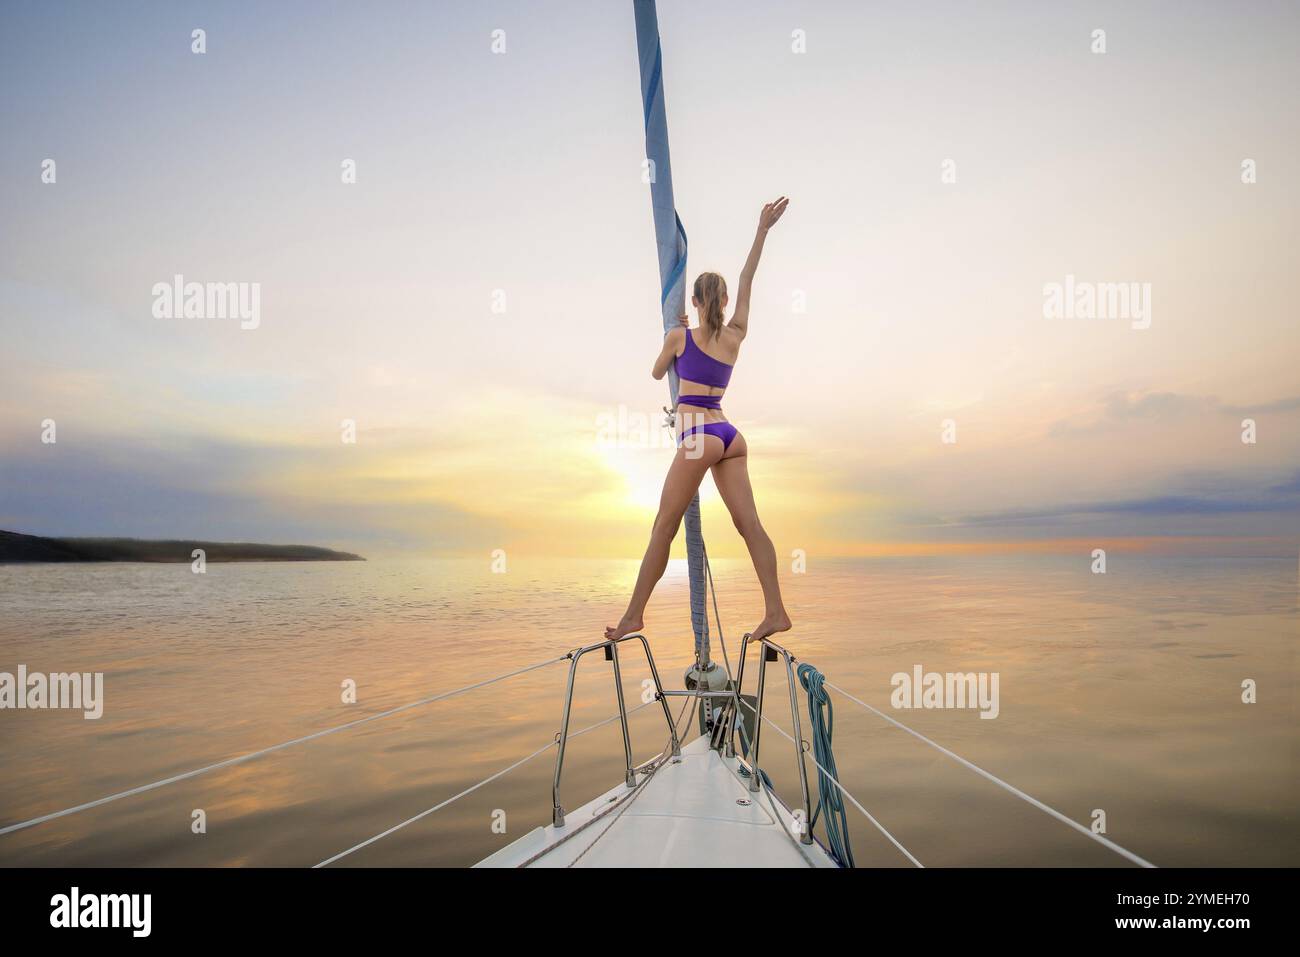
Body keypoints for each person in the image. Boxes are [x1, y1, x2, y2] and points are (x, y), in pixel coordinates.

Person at [606, 197, 792, 642]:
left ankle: (633, 615)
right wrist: (762, 229)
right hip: (729, 434)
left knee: (663, 526)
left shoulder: (678, 337)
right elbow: (749, 277)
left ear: (693, 300)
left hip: (697, 437)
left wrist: (678, 333)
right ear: (725, 302)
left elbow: (656, 373)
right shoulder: (735, 336)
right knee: (750, 526)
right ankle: (776, 611)